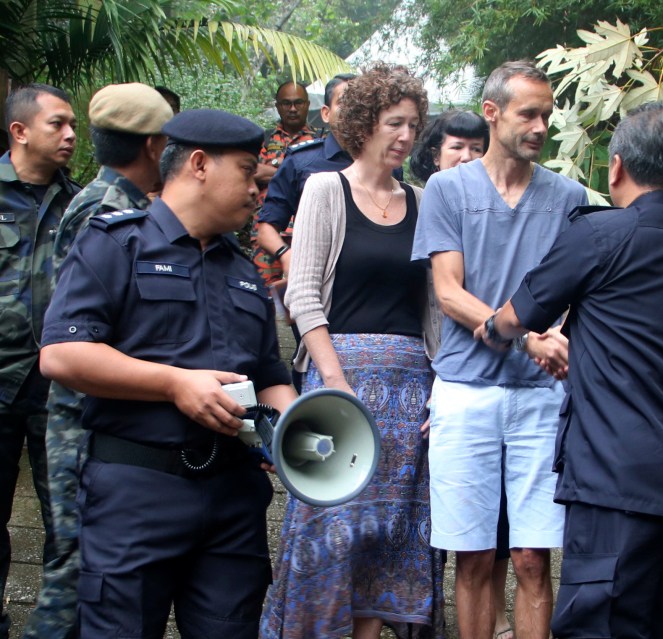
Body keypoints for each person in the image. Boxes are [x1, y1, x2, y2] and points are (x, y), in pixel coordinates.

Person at [477, 101, 663, 638]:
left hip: (618, 479)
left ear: (616, 167)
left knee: (602, 625)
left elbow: (518, 315)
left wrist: (495, 330)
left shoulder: (601, 235)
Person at [38, 109, 298, 638]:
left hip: (233, 496)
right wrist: (174, 383)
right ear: (199, 165)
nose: (257, 190)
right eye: (248, 172)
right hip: (137, 490)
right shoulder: (115, 242)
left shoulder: (244, 271)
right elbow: (62, 354)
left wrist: (294, 426)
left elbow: (270, 373)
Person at [260, 63, 445, 639]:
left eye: (414, 124)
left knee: (388, 534)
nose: (407, 137)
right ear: (363, 124)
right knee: (328, 529)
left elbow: (434, 311)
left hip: (410, 389)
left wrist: (440, 389)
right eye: (395, 123)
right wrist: (334, 380)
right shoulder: (325, 188)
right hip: (341, 386)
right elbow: (304, 293)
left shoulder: (423, 200)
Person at [412, 60, 587, 639]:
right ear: (492, 113)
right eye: (528, 113)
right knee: (474, 556)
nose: (541, 126)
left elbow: (573, 290)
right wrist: (523, 332)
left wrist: (558, 334)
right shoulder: (447, 188)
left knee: (534, 557)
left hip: (539, 394)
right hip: (465, 390)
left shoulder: (567, 196)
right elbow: (447, 291)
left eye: (547, 114)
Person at [20, 82, 174, 639]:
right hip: (82, 416)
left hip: (88, 412)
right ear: (156, 145)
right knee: (77, 564)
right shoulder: (107, 210)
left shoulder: (105, 200)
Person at [412, 109, 520, 639]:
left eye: (477, 147)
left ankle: (494, 611)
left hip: (494, 368)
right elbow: (430, 307)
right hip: (438, 371)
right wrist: (433, 382)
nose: (468, 157)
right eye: (456, 147)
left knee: (501, 516)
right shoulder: (428, 202)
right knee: (455, 516)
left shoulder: (502, 205)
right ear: (433, 153)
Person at [0, 83, 80, 639]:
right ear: (20, 130)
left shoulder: (79, 205)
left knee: (68, 524)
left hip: (60, 392)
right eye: (58, 124)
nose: (71, 135)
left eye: (74, 124)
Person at [255, 73, 356, 287]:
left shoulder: (387, 168)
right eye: (344, 102)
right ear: (326, 113)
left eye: (361, 103)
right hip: (314, 280)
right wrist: (286, 255)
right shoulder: (302, 161)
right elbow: (266, 228)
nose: (353, 110)